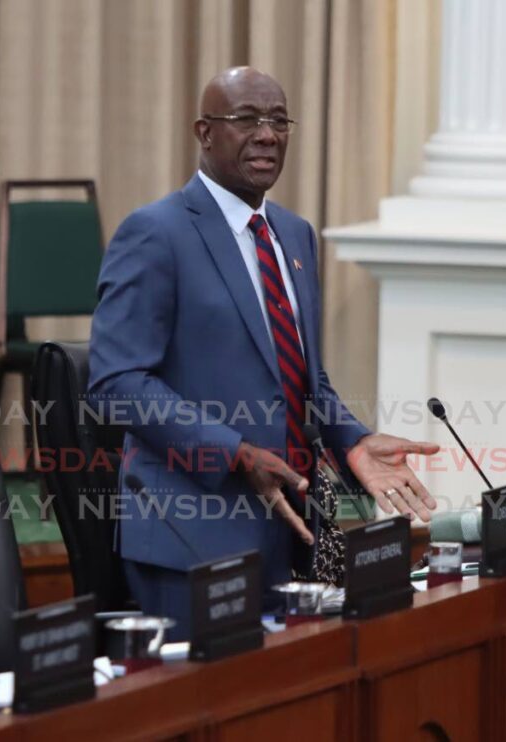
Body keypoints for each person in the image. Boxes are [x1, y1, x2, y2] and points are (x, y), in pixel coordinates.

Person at [89, 67, 439, 638]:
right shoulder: (155, 233)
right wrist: (234, 453)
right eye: (247, 119)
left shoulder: (294, 234)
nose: (268, 134)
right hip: (194, 538)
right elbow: (116, 382)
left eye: (279, 120)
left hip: (292, 530)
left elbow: (303, 378)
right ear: (204, 133)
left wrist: (351, 440)